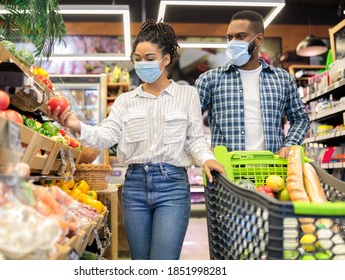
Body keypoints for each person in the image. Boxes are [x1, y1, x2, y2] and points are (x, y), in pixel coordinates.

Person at [48, 19, 225, 260]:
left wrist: (207, 159)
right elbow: (105, 135)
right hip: (134, 187)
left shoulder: (187, 95)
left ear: (166, 59)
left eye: (150, 58)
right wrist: (74, 124)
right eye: (137, 58)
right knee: (140, 263)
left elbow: (194, 139)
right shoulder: (125, 100)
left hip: (172, 186)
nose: (142, 64)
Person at [195, 10, 310, 159]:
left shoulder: (283, 80)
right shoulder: (209, 79)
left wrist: (290, 144)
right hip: (225, 172)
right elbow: (187, 120)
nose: (232, 42)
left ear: (259, 39)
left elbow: (301, 119)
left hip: (270, 172)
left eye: (240, 36)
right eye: (230, 37)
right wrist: (203, 151)